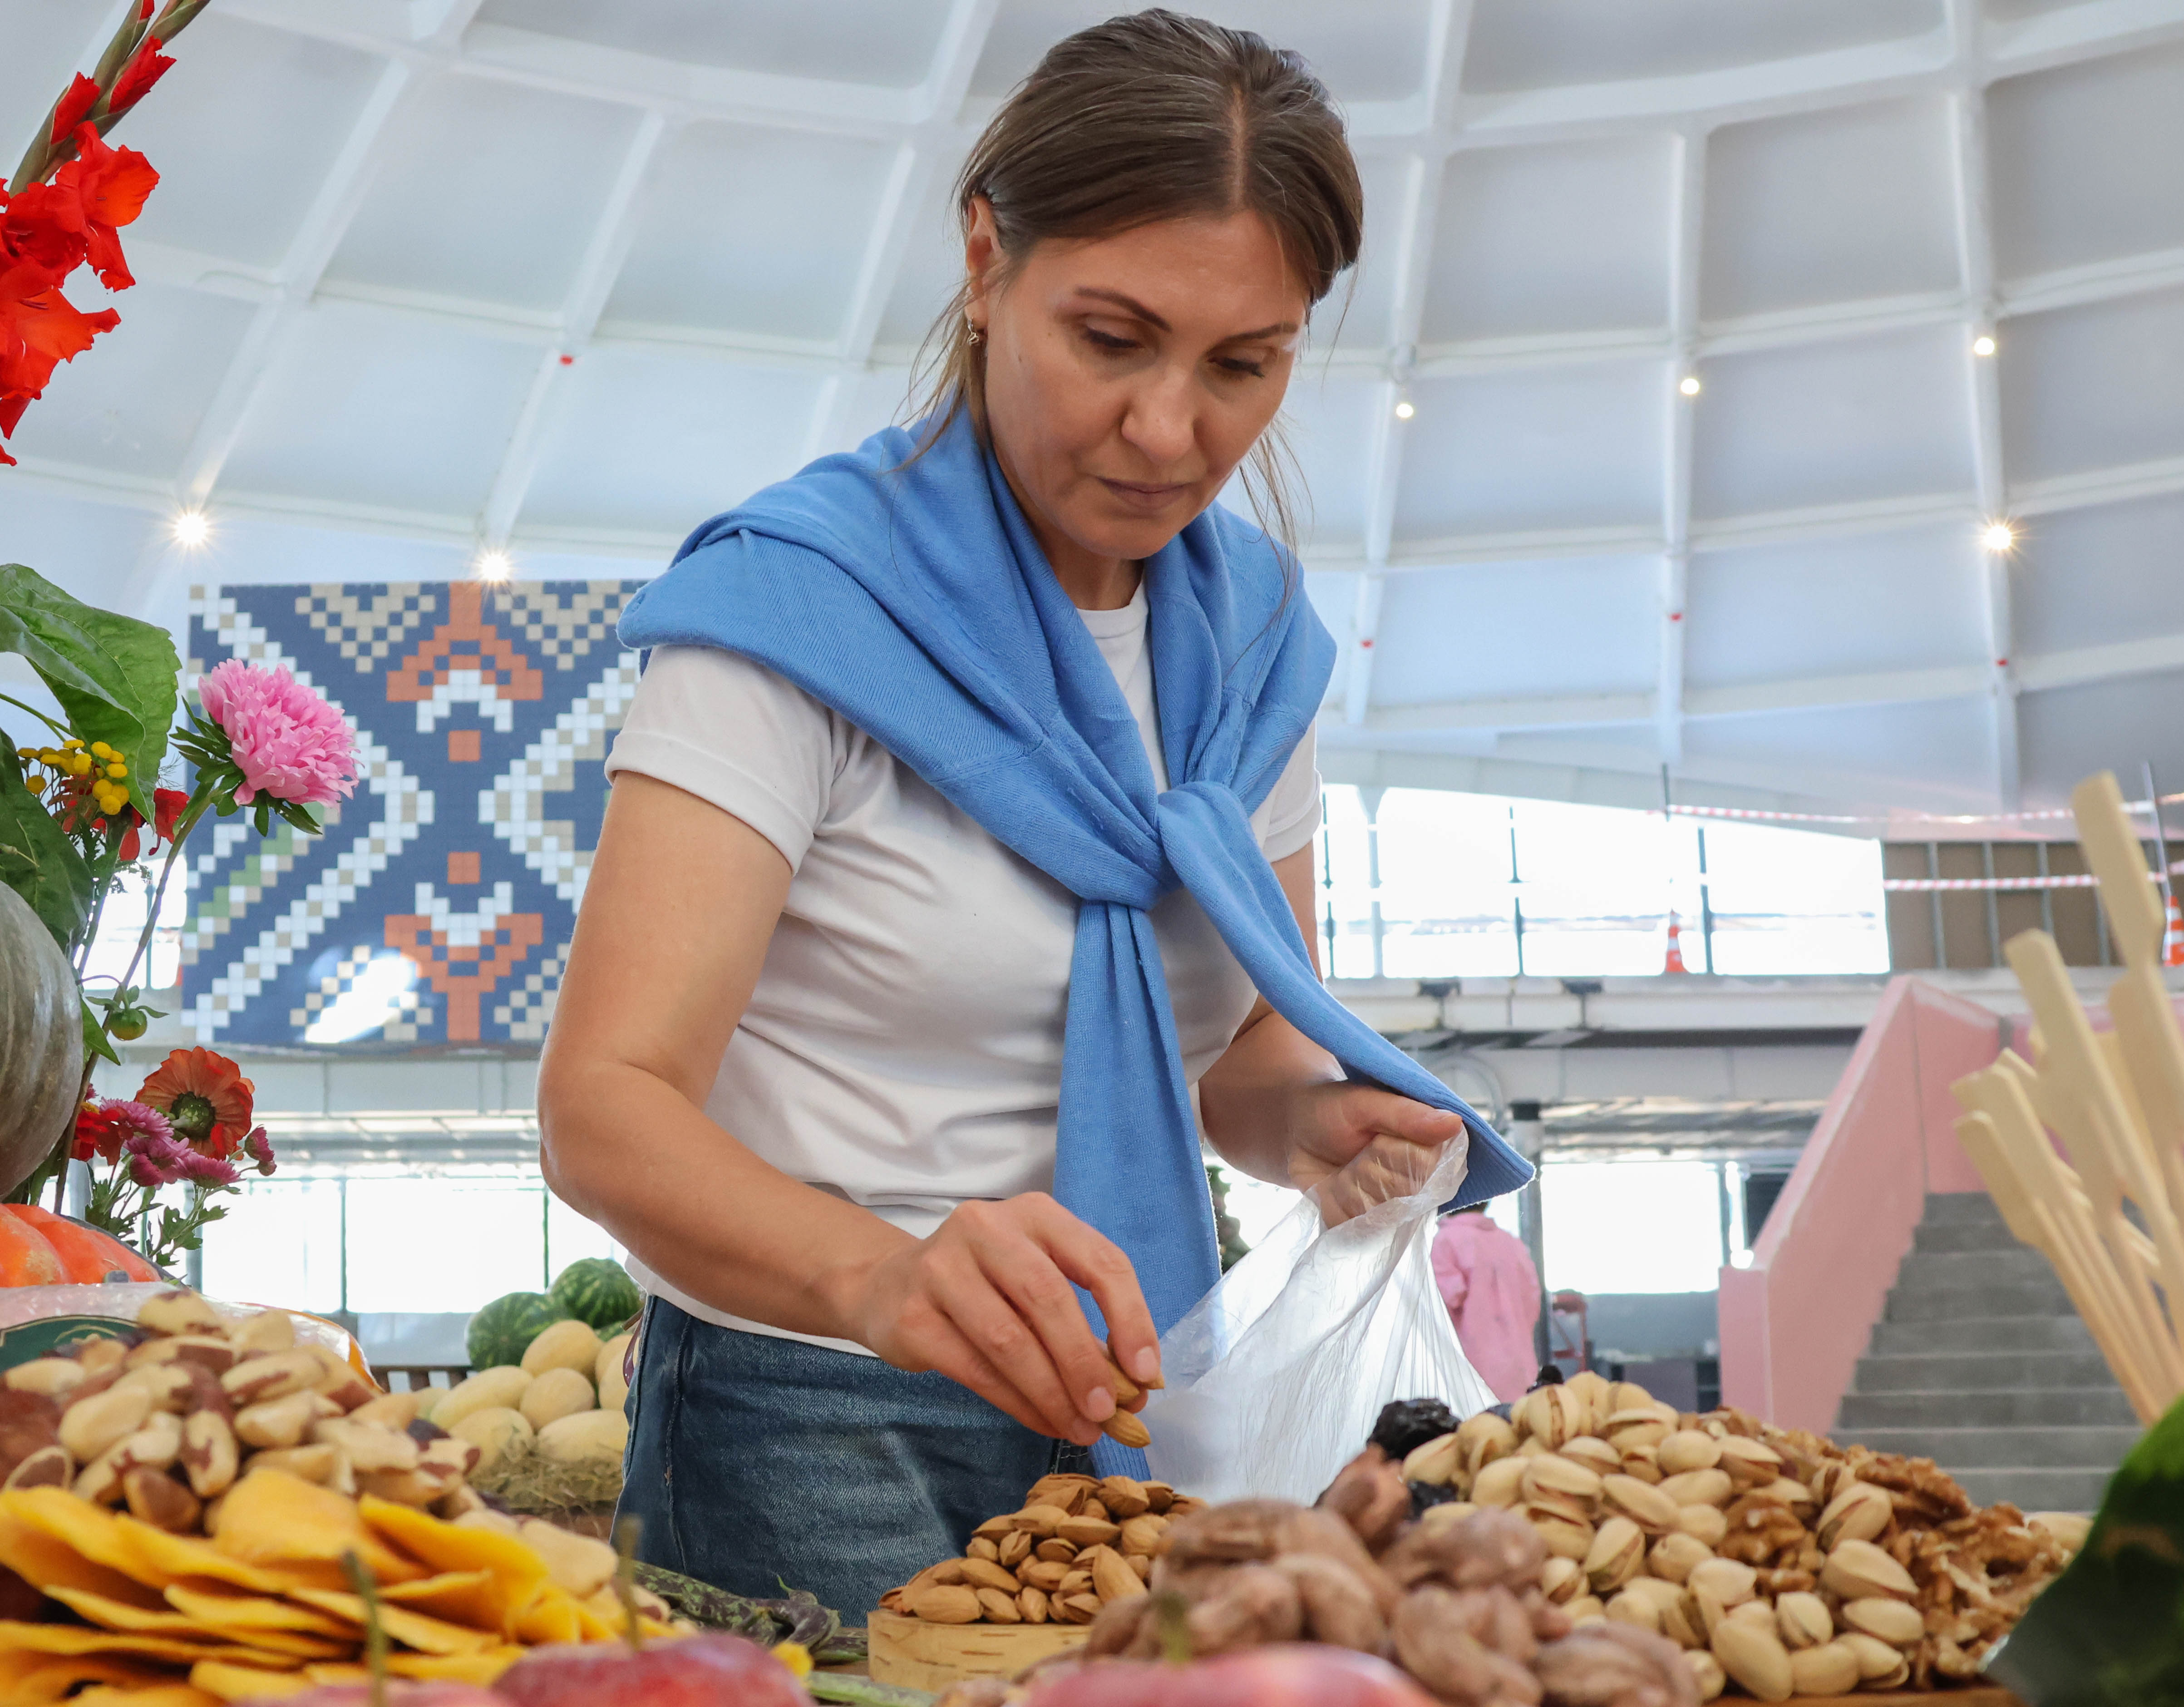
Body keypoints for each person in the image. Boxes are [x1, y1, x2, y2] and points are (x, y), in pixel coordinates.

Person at [537, 11, 1528, 1618]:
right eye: (1112, 339)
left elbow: (1239, 1057)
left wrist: (1312, 1128)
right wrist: (885, 1275)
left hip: (1152, 1397)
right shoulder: (796, 618)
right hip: (816, 1407)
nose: (1167, 432)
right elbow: (606, 1105)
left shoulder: (1253, 650)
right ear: (986, 262)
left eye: (1242, 366)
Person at [1431, 1202, 1544, 1405]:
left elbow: (1445, 1302)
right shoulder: (1511, 1243)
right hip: (1521, 1369)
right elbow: (1532, 1300)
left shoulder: (1445, 1241)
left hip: (1475, 1372)